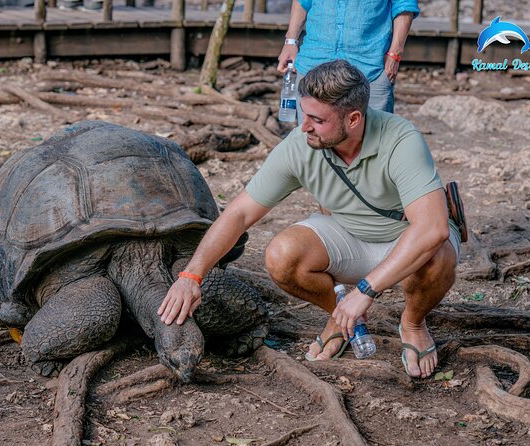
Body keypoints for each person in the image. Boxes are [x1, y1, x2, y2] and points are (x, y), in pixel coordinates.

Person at [158, 60, 460, 378]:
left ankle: (412, 323)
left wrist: (364, 292)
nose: (304, 127)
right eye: (304, 115)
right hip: (351, 235)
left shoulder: (401, 139)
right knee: (282, 255)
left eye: (317, 119)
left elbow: (431, 228)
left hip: (405, 237)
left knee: (435, 256)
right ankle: (340, 316)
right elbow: (239, 213)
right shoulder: (301, 145)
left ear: (354, 119)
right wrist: (191, 277)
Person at [277, 0, 419, 116]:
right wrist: (290, 41)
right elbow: (302, 1)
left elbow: (404, 5)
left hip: (370, 66)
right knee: (313, 142)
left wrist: (395, 54)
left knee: (376, 143)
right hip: (313, 62)